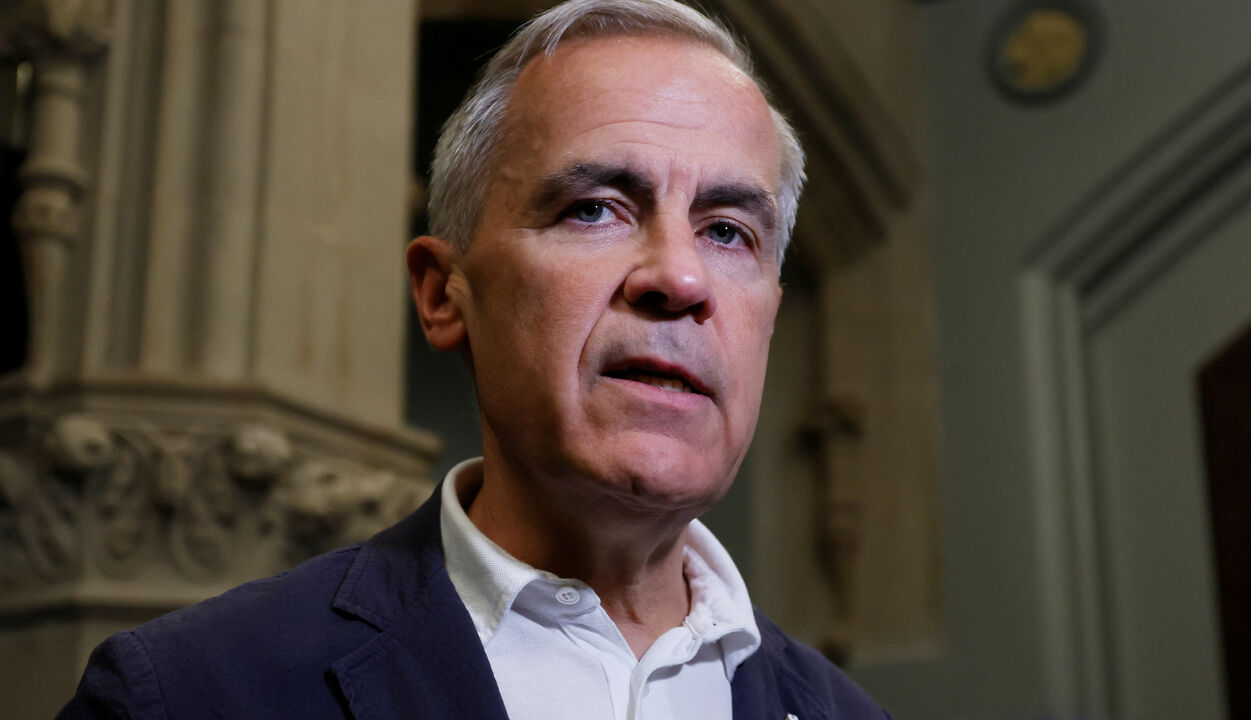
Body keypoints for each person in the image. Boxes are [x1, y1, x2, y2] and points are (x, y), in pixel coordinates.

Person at [59, 1, 891, 718]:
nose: (678, 277)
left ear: (768, 320)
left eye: (727, 232)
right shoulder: (188, 694)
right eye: (595, 210)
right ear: (443, 293)